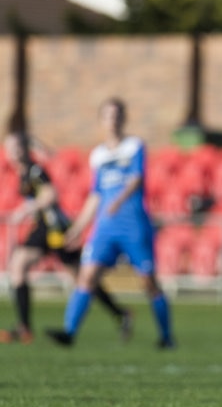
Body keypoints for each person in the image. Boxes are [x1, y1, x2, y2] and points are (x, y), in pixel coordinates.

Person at [45, 98, 175, 349]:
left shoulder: (133, 146)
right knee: (87, 275)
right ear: (101, 121)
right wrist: (78, 228)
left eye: (116, 115)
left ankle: (166, 336)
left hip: (133, 225)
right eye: (107, 115)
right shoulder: (98, 155)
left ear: (123, 119)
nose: (112, 120)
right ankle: (69, 332)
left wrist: (119, 200)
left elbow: (137, 178)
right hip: (105, 227)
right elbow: (96, 195)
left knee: (148, 281)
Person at [1, 131, 133, 344]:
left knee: (82, 279)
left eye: (17, 147)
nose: (14, 153)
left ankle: (120, 314)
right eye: (10, 149)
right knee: (19, 266)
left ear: (25, 149)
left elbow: (51, 195)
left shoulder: (35, 171)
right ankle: (24, 327)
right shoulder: (23, 172)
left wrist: (27, 209)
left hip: (55, 229)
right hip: (41, 229)